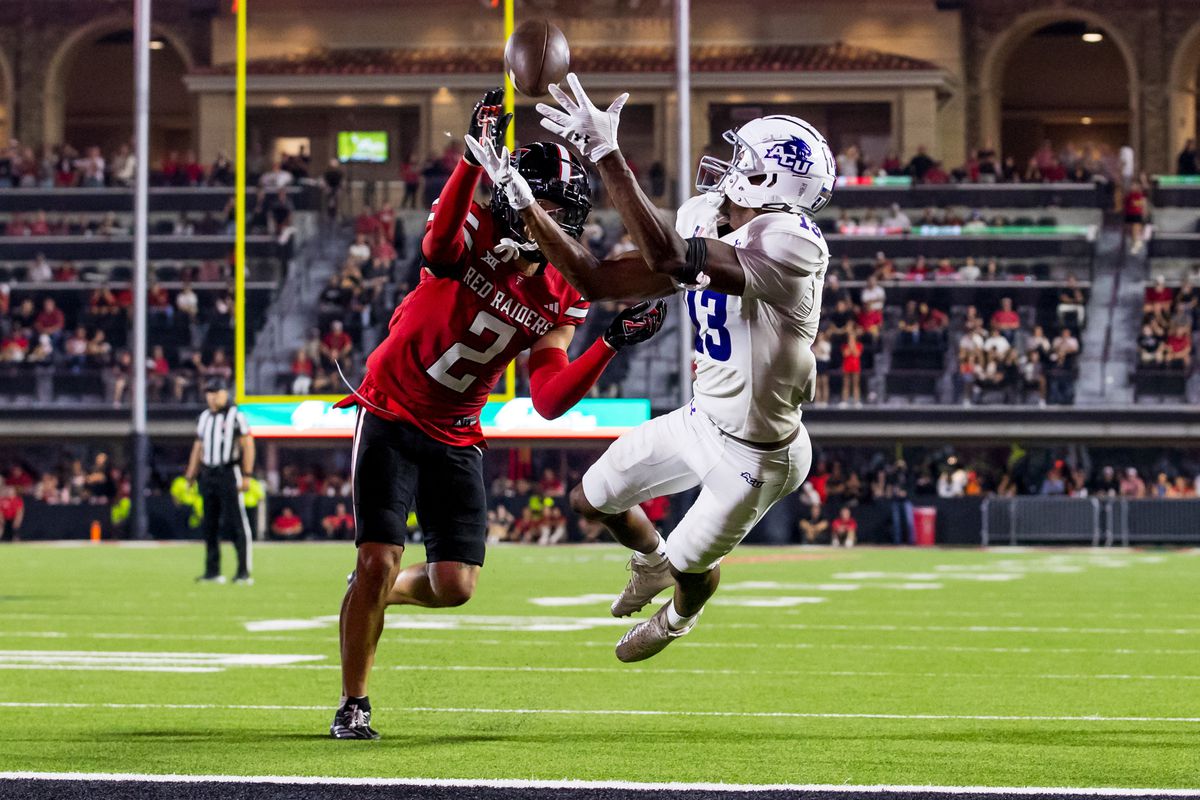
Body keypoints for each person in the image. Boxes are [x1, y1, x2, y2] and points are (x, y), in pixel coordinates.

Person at [328, 88, 667, 740]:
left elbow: (546, 398)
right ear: (517, 205)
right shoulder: (477, 229)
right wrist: (469, 162)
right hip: (392, 408)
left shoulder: (566, 287)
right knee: (378, 558)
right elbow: (435, 250)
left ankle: (375, 594)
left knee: (455, 585)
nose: (562, 228)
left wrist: (610, 344)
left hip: (457, 429)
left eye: (568, 216)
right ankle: (354, 702)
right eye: (551, 212)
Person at [473, 74, 830, 662]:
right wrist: (526, 204)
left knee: (693, 571)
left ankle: (680, 616)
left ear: (772, 180)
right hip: (702, 418)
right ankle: (647, 560)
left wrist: (607, 153)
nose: (727, 167)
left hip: (758, 454)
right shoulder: (704, 216)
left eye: (745, 160)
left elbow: (666, 256)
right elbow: (595, 279)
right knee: (590, 500)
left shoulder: (793, 243)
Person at [184, 378, 255, 585]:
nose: (212, 397)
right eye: (209, 392)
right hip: (208, 474)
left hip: (229, 472)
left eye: (216, 392)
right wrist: (191, 474)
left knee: (236, 523)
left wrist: (247, 474)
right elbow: (199, 447)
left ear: (226, 393)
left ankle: (243, 572)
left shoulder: (236, 416)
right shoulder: (204, 417)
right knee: (209, 524)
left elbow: (247, 445)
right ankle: (212, 571)